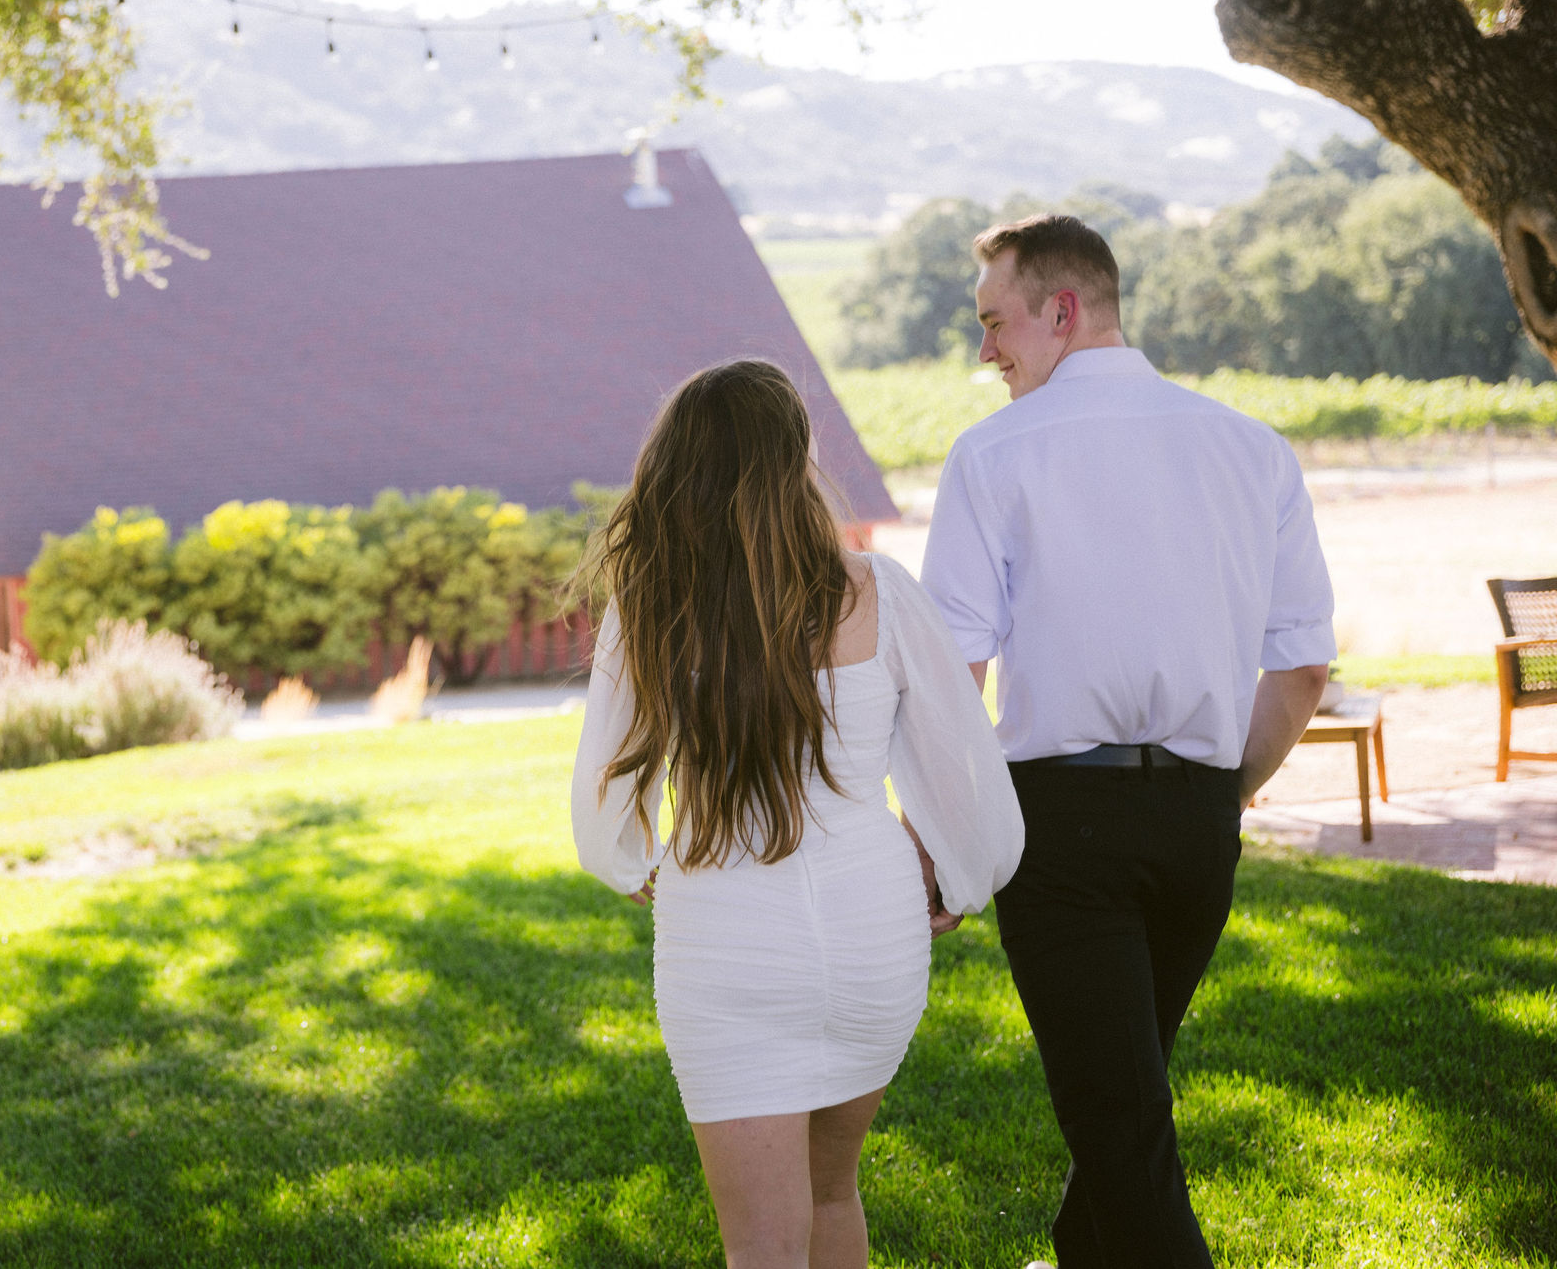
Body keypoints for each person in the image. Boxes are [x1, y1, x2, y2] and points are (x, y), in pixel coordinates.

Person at [921, 214, 1335, 1269]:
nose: (984, 351)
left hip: (1060, 831)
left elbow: (951, 677)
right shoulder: (1253, 449)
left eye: (994, 322)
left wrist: (947, 835)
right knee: (1121, 1104)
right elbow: (1301, 668)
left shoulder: (991, 455)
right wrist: (1217, 794)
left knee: (1123, 1130)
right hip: (1198, 828)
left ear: (1061, 311)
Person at [570, 358, 1025, 1269]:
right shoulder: (880, 592)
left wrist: (631, 862)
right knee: (830, 1191)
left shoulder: (652, 604)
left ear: (677, 468)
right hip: (872, 929)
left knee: (762, 1250)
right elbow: (967, 768)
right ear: (795, 464)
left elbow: (606, 793)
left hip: (727, 933)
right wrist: (958, 874)